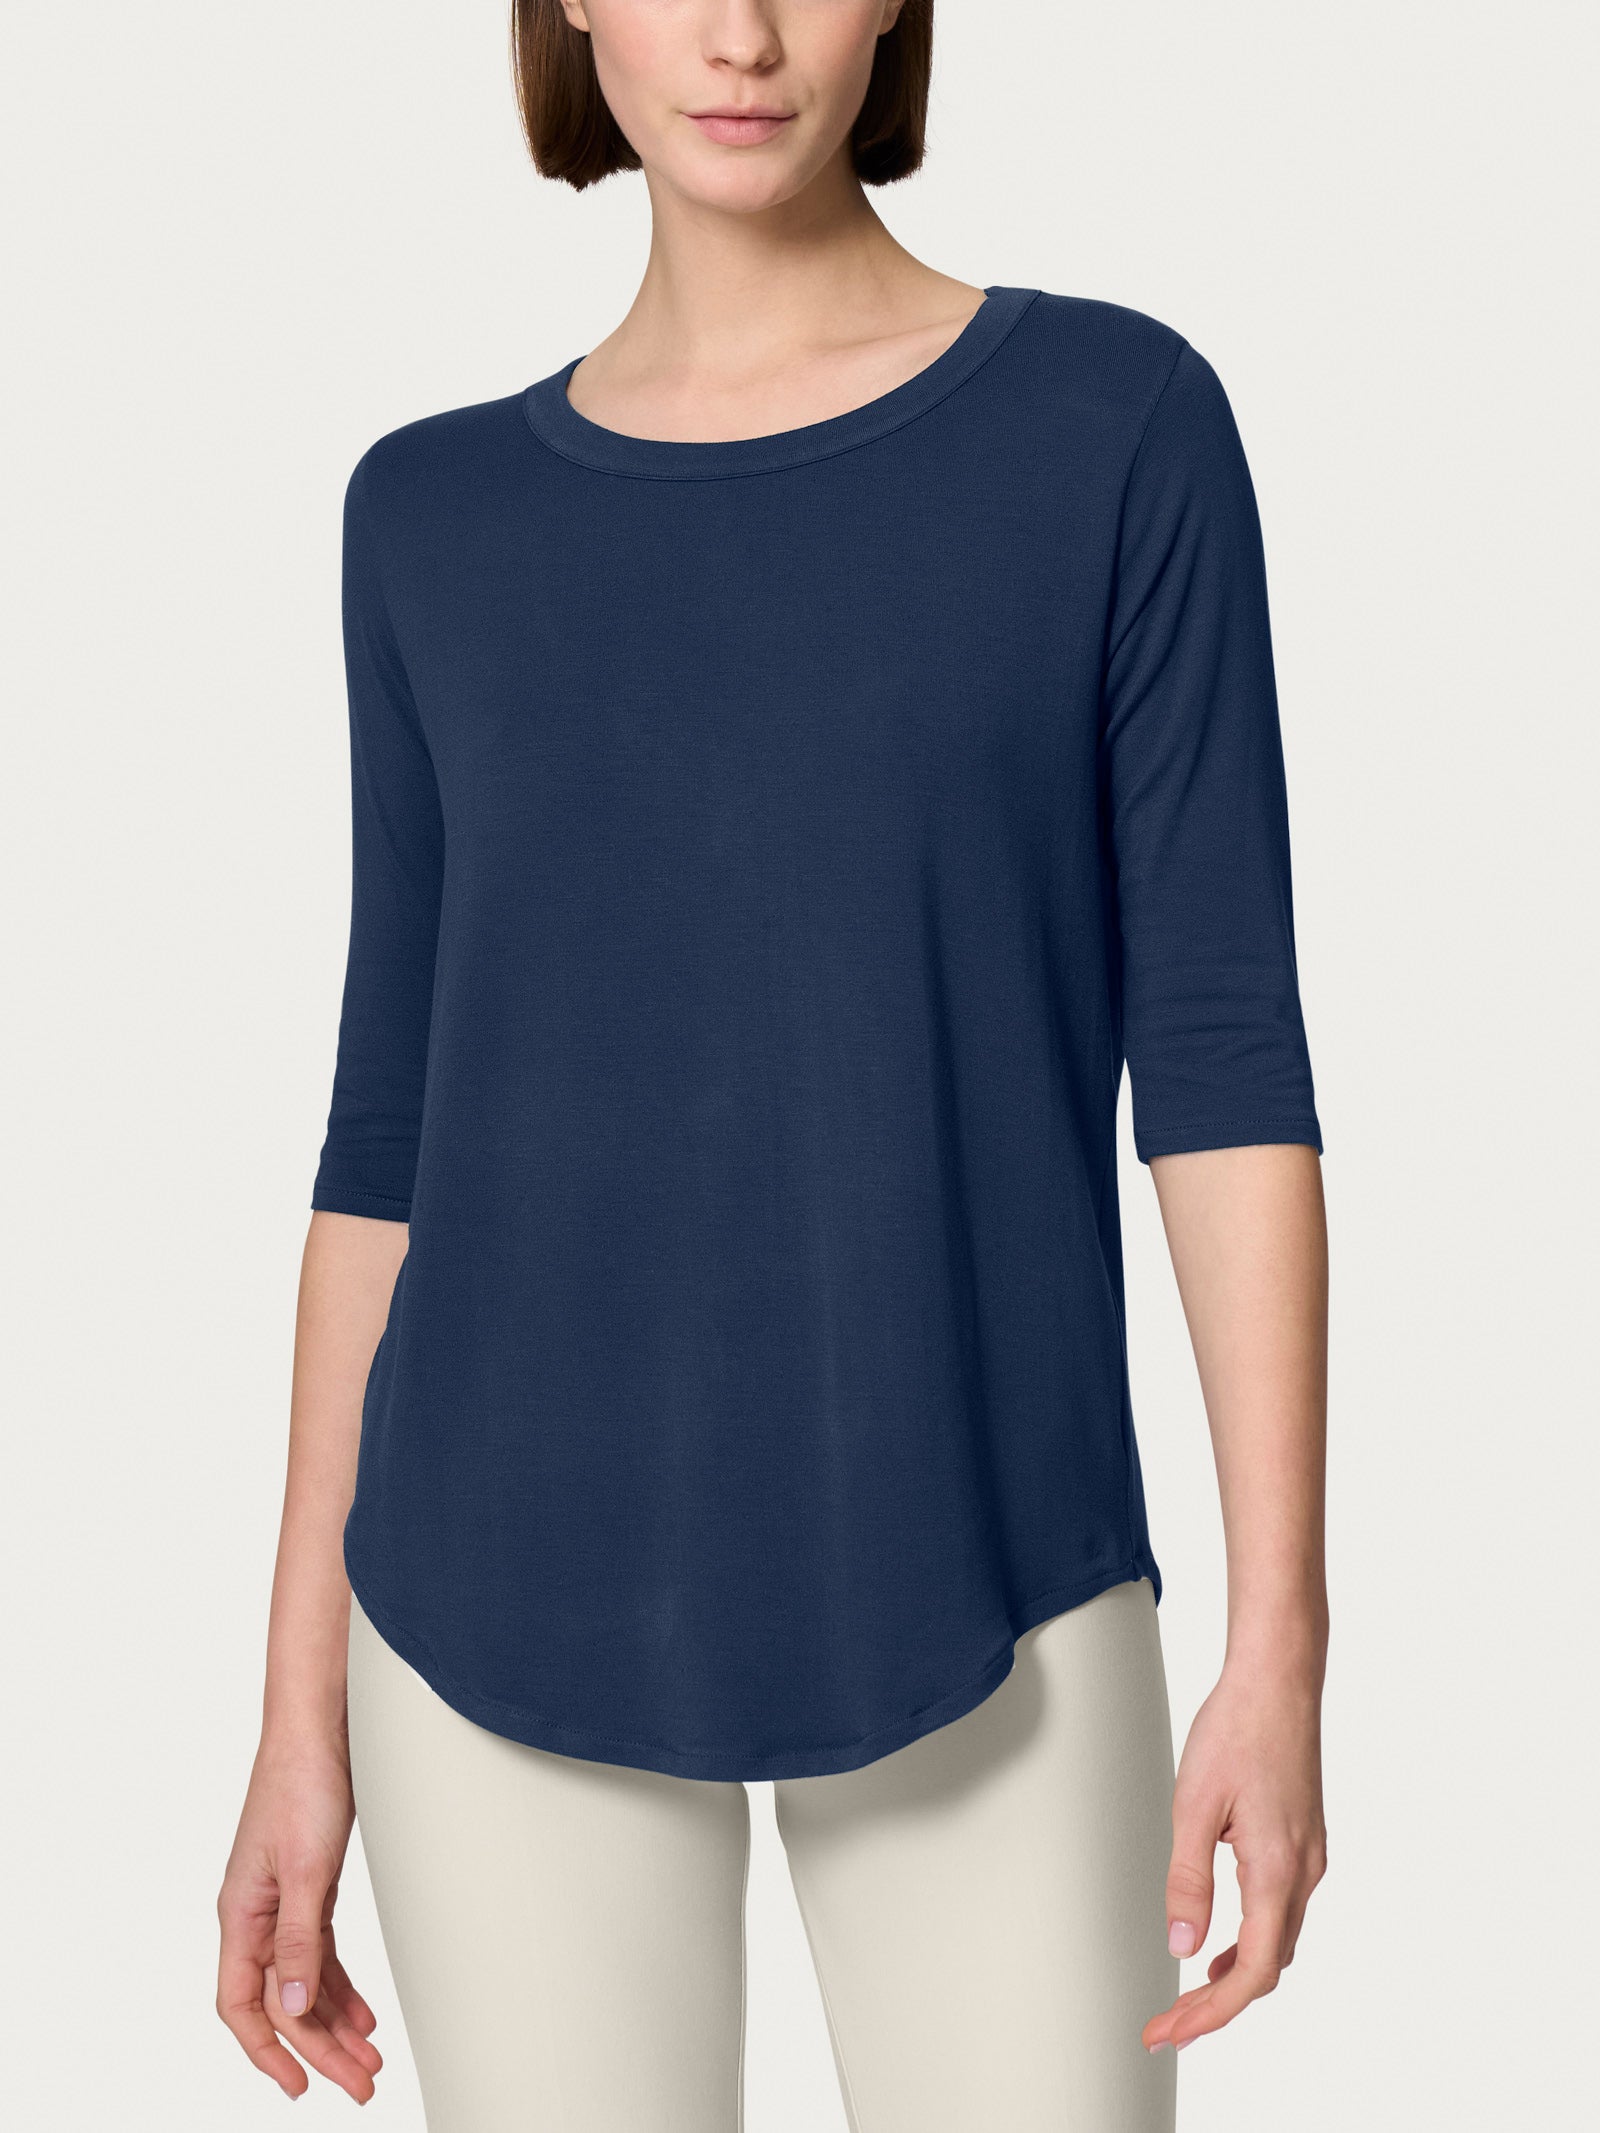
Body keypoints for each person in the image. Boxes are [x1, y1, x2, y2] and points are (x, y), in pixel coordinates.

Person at [215, 3, 1330, 2126]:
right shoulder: (428, 513)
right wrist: (295, 1714)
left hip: (983, 1562)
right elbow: (389, 1136)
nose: (739, 34)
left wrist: (1278, 1639)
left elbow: (1218, 1062)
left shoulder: (1112, 426)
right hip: (484, 1598)